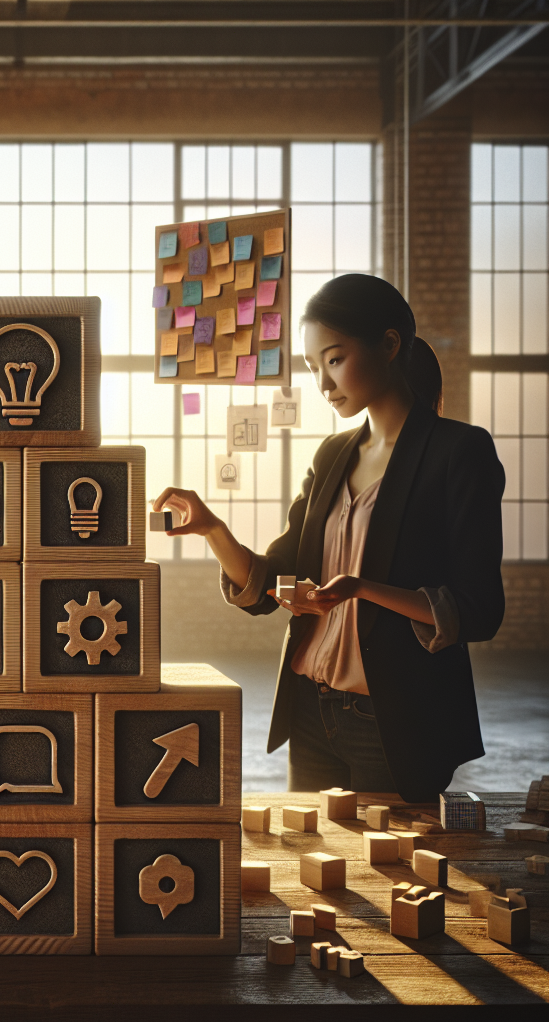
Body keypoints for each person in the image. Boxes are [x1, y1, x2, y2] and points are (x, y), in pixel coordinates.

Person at [153, 274, 505, 802]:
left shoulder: (460, 452)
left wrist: (363, 589)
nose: (323, 382)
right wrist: (212, 529)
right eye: (313, 367)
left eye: (334, 359)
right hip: (311, 710)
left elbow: (480, 610)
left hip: (394, 719)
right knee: (316, 871)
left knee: (393, 872)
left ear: (389, 345)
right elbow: (275, 578)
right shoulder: (332, 456)